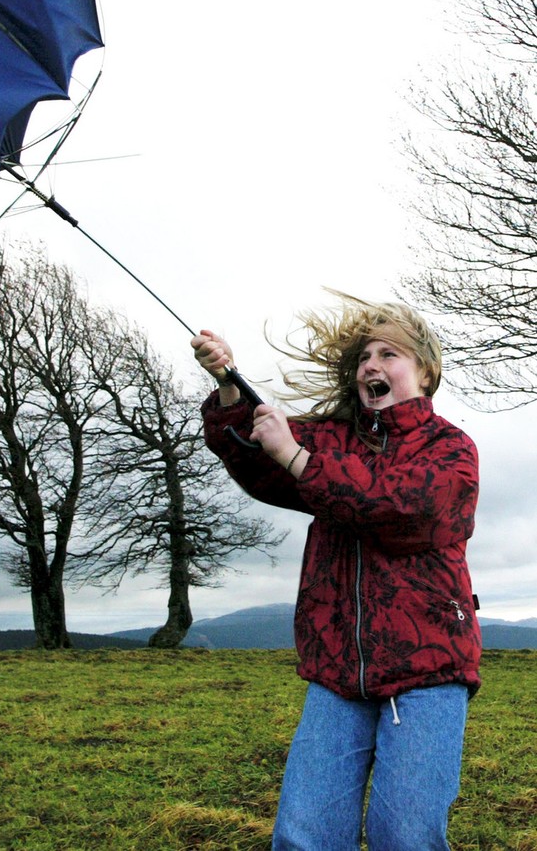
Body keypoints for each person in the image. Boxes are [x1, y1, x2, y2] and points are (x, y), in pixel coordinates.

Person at [191, 293, 481, 851]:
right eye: (364, 357)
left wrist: (299, 460)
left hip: (427, 672)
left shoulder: (450, 448)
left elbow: (409, 509)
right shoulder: (333, 439)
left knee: (406, 839)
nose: (371, 365)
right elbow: (256, 458)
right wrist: (229, 384)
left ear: (425, 369)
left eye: (389, 354)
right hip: (335, 672)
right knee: (305, 838)